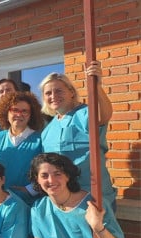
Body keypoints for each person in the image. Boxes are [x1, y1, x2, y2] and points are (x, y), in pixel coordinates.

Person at [39, 62, 116, 210]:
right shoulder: (47, 130)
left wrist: (96, 86)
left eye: (59, 91)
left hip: (92, 197)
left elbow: (103, 115)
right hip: (64, 200)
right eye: (48, 93)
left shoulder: (85, 113)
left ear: (71, 92)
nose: (53, 96)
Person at [0, 91, 44, 205]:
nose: (19, 114)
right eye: (15, 110)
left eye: (25, 111)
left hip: (28, 204)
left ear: (31, 115)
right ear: (6, 113)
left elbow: (50, 171)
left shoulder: (40, 140)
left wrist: (30, 190)